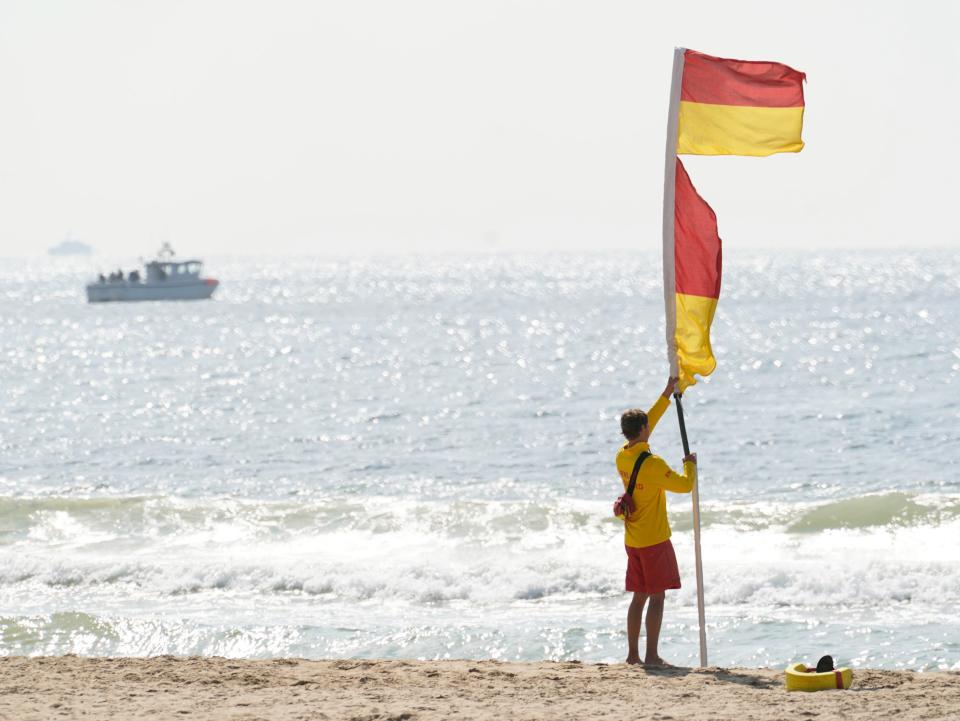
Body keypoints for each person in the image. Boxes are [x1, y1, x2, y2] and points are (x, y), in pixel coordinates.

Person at [616, 376, 697, 665]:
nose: (651, 426)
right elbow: (685, 486)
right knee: (657, 597)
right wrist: (690, 466)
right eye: (648, 425)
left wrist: (665, 394)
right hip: (654, 539)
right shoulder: (653, 464)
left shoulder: (622, 456)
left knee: (639, 597)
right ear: (643, 430)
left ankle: (633, 656)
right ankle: (651, 655)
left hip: (633, 540)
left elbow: (648, 422)